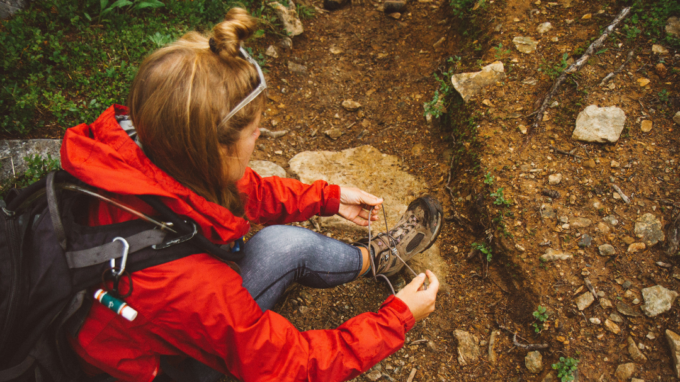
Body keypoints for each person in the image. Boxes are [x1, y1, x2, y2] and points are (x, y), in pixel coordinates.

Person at [62, 7, 442, 382]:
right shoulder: (195, 288)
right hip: (167, 367)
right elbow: (295, 365)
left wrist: (327, 197)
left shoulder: (131, 153)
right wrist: (397, 319)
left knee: (285, 243)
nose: (259, 136)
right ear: (211, 151)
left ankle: (376, 258)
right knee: (281, 251)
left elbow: (237, 191)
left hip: (137, 327)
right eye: (254, 131)